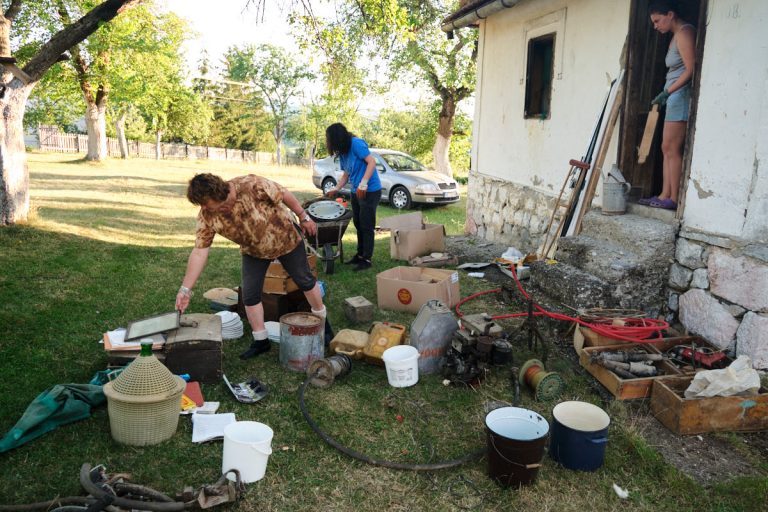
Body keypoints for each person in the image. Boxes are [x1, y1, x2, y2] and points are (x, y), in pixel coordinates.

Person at [175, 173, 327, 359]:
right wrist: (185, 289)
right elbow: (199, 251)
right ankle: (261, 341)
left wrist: (303, 217)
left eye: (206, 202)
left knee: (305, 281)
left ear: (218, 193)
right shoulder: (208, 216)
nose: (204, 208)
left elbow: (283, 193)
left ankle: (323, 326)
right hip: (254, 251)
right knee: (250, 294)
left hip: (285, 239)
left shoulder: (251, 185)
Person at [640, 1, 696, 210]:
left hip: (680, 96)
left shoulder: (684, 33)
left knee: (672, 147)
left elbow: (690, 69)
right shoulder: (675, 36)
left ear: (670, 14)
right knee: (666, 147)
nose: (655, 26)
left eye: (657, 20)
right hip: (673, 96)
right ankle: (664, 194)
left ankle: (673, 198)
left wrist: (667, 92)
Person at [324, 123, 381, 271]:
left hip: (370, 190)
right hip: (356, 191)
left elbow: (371, 162)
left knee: (366, 225)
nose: (328, 142)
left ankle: (366, 259)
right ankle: (360, 254)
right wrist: (336, 188)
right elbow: (346, 174)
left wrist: (364, 183)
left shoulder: (356, 144)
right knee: (357, 222)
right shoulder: (343, 151)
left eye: (329, 139)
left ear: (337, 138)